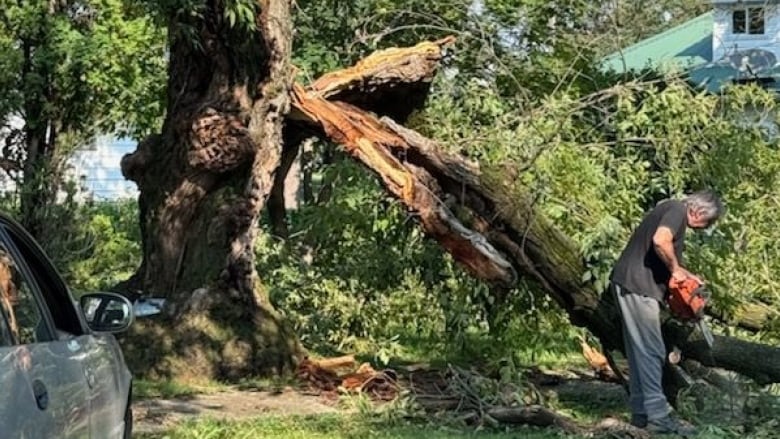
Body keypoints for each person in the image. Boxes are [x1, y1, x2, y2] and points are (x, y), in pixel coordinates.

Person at [609, 190, 724, 436]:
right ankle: (659, 418)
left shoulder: (672, 210)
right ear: (699, 212)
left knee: (640, 352)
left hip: (633, 285)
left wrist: (683, 274)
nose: (704, 228)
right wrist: (676, 270)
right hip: (638, 287)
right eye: (708, 222)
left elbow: (665, 255)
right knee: (651, 352)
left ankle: (641, 416)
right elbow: (661, 240)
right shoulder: (676, 209)